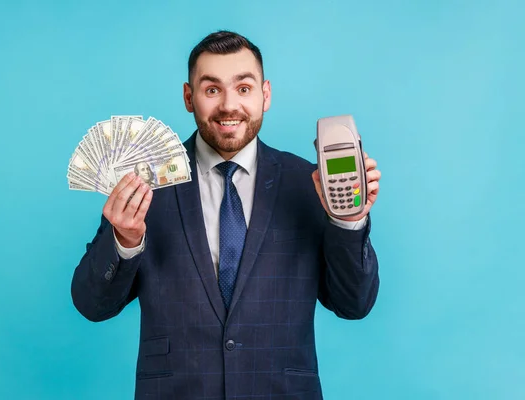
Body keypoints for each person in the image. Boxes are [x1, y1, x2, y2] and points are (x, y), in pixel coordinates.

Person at [71, 30, 381, 399]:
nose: (229, 106)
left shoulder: (308, 184)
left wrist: (348, 221)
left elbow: (354, 304)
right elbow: (92, 304)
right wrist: (124, 242)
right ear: (189, 97)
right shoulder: (145, 183)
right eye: (212, 89)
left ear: (266, 95)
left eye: (244, 88)